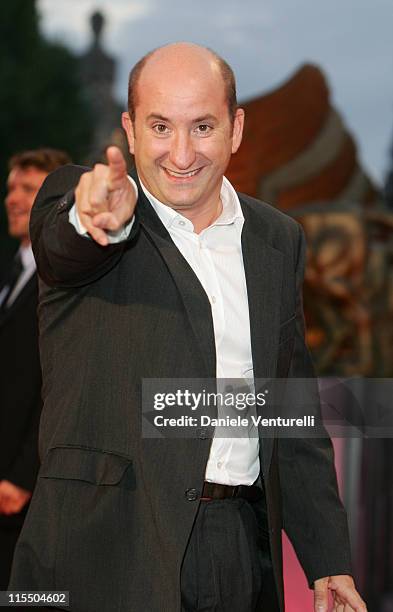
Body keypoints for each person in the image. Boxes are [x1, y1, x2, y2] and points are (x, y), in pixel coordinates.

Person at [9, 44, 366, 612]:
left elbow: (291, 416)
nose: (181, 153)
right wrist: (92, 220)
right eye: (159, 126)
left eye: (202, 126)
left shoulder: (277, 239)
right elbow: (62, 246)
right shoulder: (88, 207)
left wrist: (329, 563)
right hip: (103, 550)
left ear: (236, 128)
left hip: (239, 549)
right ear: (129, 129)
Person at [0, 149, 70, 590]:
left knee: (29, 597)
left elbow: (58, 385)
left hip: (29, 488)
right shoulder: (13, 271)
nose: (12, 198)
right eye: (11, 188)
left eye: (28, 189)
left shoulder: (65, 281)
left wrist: (24, 473)